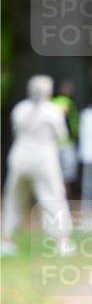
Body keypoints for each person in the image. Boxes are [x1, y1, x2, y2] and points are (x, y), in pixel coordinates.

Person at [1, 75, 75, 256]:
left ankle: (6, 241)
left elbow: (16, 131)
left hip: (19, 158)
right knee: (53, 199)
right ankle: (62, 242)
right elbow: (62, 136)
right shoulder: (52, 111)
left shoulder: (19, 108)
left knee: (14, 199)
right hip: (44, 160)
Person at [51, 78, 80, 197]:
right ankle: (63, 198)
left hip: (57, 143)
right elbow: (62, 115)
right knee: (65, 174)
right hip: (65, 142)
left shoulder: (52, 101)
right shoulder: (64, 101)